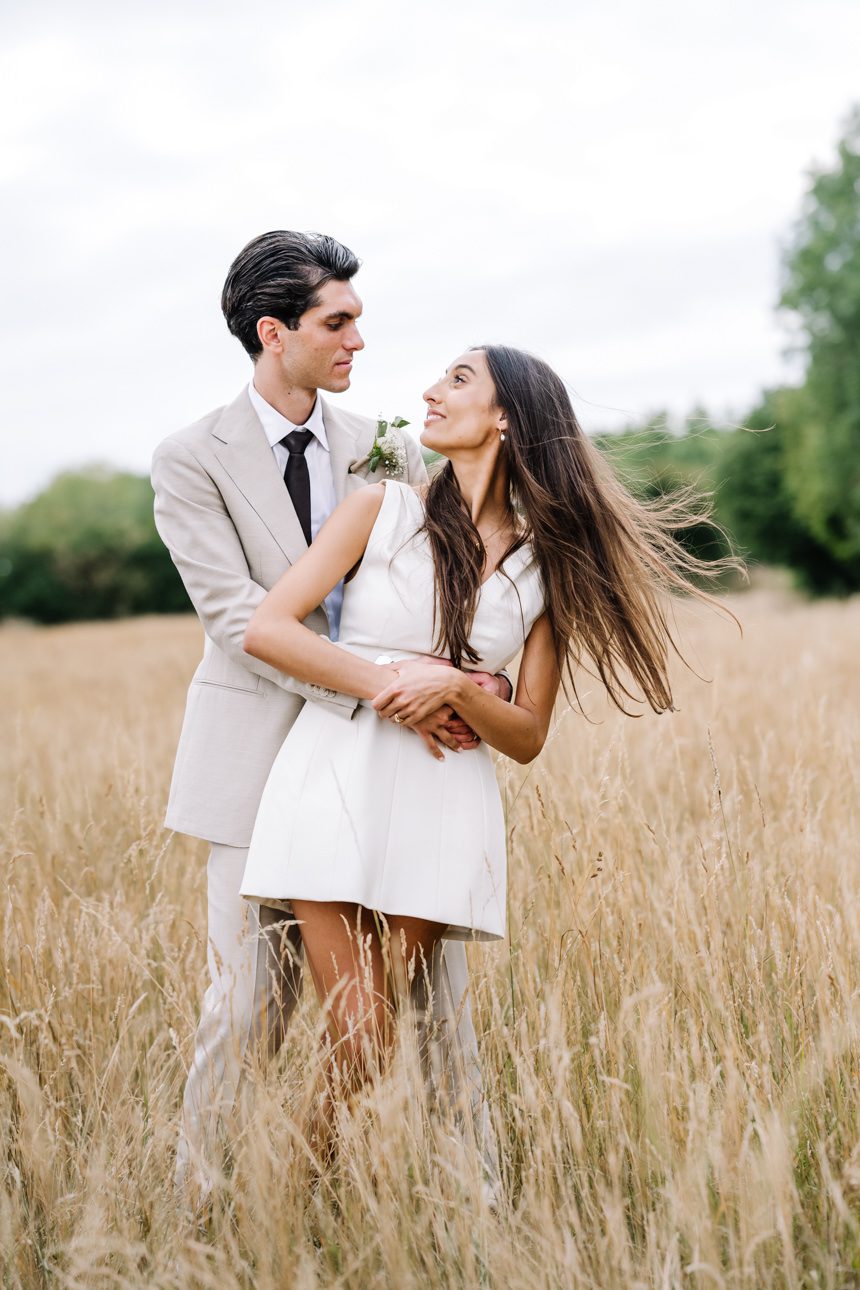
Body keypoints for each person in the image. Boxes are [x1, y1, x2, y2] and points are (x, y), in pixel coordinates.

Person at [239, 343, 738, 1129]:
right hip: (335, 779)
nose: (432, 392)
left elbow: (529, 733)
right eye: (439, 378)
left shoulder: (551, 566)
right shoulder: (380, 509)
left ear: (506, 418)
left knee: (364, 1055)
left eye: (458, 379)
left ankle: (300, 1221)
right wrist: (399, 680)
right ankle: (279, 1221)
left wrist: (455, 691)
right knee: (361, 1035)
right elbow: (267, 630)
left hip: (443, 804)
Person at [151, 231, 509, 1207]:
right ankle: (204, 1206)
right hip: (253, 764)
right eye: (336, 321)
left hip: (388, 770)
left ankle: (475, 1200)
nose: (359, 337)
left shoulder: (384, 446)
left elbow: (446, 578)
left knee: (436, 1003)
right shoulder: (189, 460)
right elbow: (236, 621)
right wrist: (383, 690)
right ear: (274, 332)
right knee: (249, 1006)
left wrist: (475, 681)